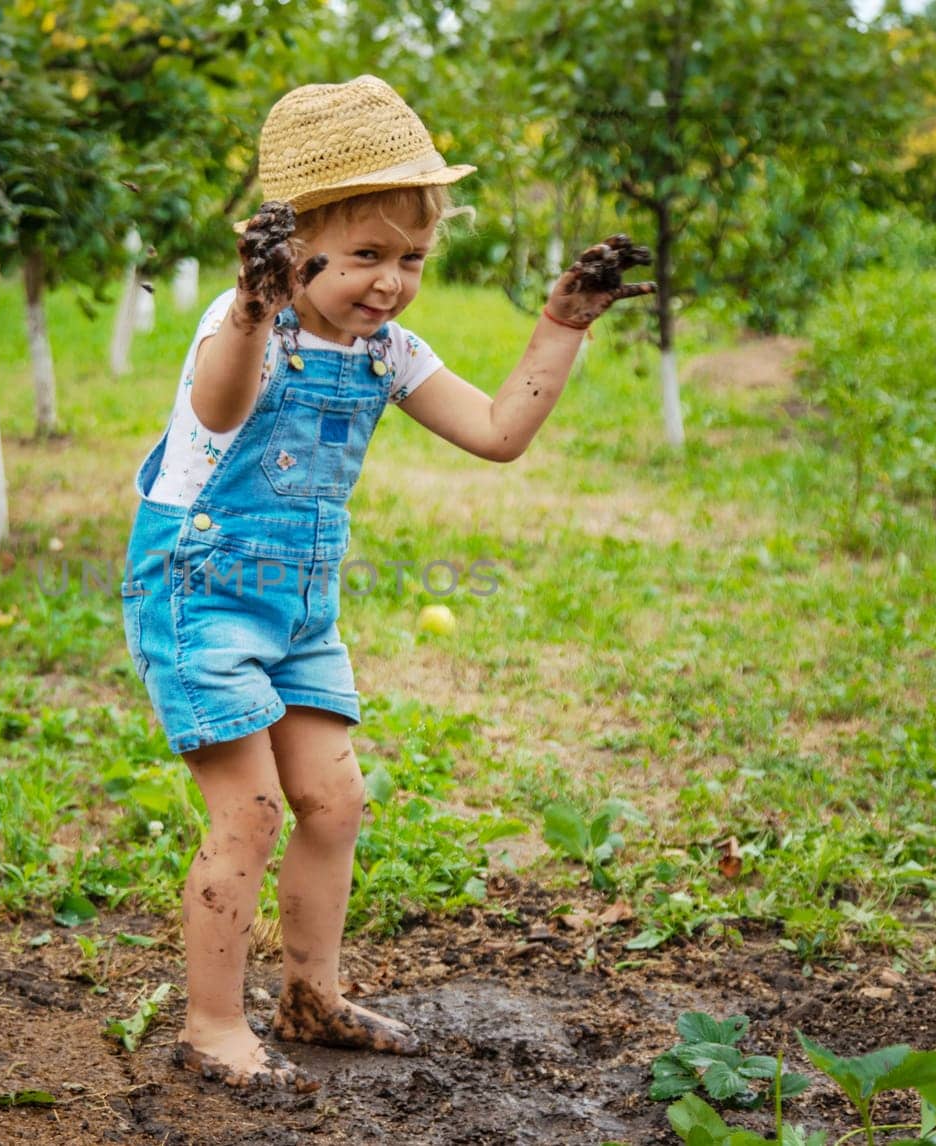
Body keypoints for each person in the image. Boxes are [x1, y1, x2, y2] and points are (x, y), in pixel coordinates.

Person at [120, 75, 654, 1092]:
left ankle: (311, 995)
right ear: (288, 248)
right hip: (201, 584)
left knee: (332, 797)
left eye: (410, 258)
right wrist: (249, 305)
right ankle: (210, 1024)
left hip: (298, 603)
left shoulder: (388, 352)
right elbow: (221, 410)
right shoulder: (248, 332)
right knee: (250, 811)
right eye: (365, 256)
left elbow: (497, 434)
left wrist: (564, 324)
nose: (392, 283)